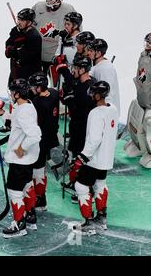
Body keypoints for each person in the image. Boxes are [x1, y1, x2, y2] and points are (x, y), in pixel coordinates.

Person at [73, 81, 118, 235]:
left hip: (94, 159)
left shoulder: (96, 113)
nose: (91, 95)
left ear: (99, 95)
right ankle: (101, 218)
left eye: (93, 93)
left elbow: (94, 139)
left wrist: (82, 157)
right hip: (106, 159)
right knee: (100, 184)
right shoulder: (113, 109)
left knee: (81, 186)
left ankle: (88, 223)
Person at [0, 79, 41, 238]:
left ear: (17, 93)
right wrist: (0, 110)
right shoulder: (27, 105)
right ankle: (30, 217)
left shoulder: (23, 110)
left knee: (14, 191)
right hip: (27, 160)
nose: (10, 94)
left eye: (12, 92)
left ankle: (19, 224)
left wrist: (20, 150)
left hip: (20, 160)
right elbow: (15, 123)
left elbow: (35, 135)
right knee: (27, 185)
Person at [55, 57, 97, 202]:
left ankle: (85, 189)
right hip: (77, 127)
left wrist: (70, 101)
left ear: (83, 70)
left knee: (82, 157)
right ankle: (76, 183)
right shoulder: (80, 82)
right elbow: (72, 84)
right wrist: (63, 68)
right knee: (75, 154)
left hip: (84, 129)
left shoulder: (90, 87)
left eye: (76, 68)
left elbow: (83, 110)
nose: (73, 70)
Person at [28, 72, 59, 211]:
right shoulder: (53, 93)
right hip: (51, 137)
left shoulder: (37, 102)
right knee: (41, 168)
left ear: (40, 87)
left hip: (40, 140)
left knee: (37, 170)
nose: (32, 89)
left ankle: (40, 199)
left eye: (34, 87)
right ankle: (41, 198)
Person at [32, 0, 77, 75]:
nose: (48, 1)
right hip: (38, 55)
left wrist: (68, 38)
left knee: (56, 85)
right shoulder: (38, 7)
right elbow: (29, 25)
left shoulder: (69, 10)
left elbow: (76, 32)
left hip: (56, 57)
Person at [124, 33, 151, 167]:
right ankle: (139, 145)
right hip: (143, 97)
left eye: (150, 43)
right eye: (147, 43)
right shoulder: (144, 56)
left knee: (149, 122)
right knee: (136, 118)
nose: (147, 46)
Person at [5, 8, 42, 83]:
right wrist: (15, 39)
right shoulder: (17, 32)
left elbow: (22, 57)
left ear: (29, 22)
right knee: (12, 91)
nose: (19, 22)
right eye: (18, 19)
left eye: (22, 20)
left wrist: (16, 47)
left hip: (28, 77)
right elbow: (8, 49)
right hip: (15, 73)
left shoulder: (34, 37)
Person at [87, 38, 121, 117]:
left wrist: (105, 115)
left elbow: (108, 95)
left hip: (106, 116)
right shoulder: (98, 65)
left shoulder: (105, 69)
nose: (88, 53)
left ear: (98, 53)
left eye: (91, 51)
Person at [51, 12, 83, 87]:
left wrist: (65, 60)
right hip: (62, 76)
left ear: (75, 26)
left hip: (75, 76)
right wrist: (56, 60)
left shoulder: (82, 39)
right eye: (65, 24)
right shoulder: (63, 37)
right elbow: (56, 55)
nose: (65, 26)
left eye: (68, 24)